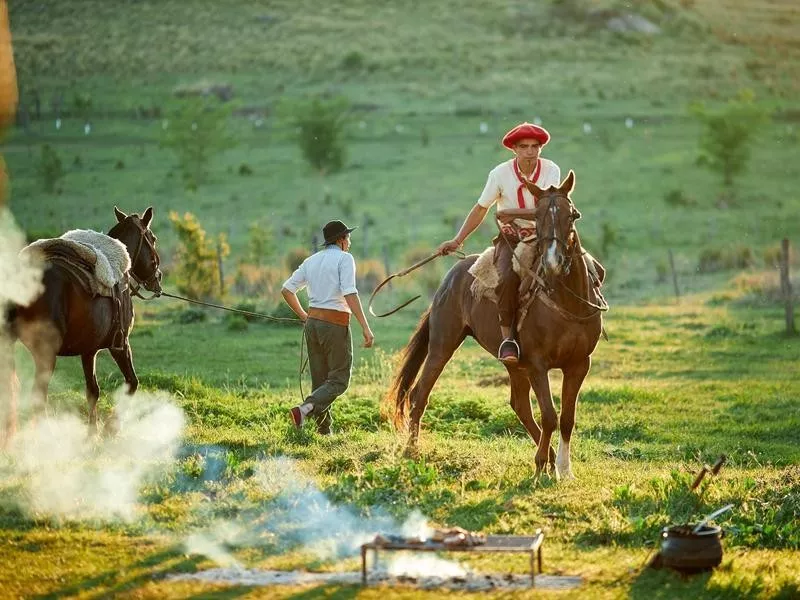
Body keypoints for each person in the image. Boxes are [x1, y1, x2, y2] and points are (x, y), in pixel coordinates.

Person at [437, 122, 561, 365]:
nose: (530, 152)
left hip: (547, 236)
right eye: (524, 147)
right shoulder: (500, 174)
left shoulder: (551, 170)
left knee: (587, 268)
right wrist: (457, 239)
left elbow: (548, 208)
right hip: (512, 240)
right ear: (514, 149)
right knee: (507, 278)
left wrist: (510, 212)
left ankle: (586, 321)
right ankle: (508, 340)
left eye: (535, 146)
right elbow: (482, 207)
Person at [282, 219, 375, 434]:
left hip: (313, 324)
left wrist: (304, 316)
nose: (349, 242)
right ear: (341, 240)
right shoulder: (345, 259)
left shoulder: (311, 260)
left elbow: (287, 290)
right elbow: (350, 292)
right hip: (335, 324)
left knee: (321, 380)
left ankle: (324, 430)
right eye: (348, 237)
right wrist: (365, 326)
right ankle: (304, 409)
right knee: (339, 380)